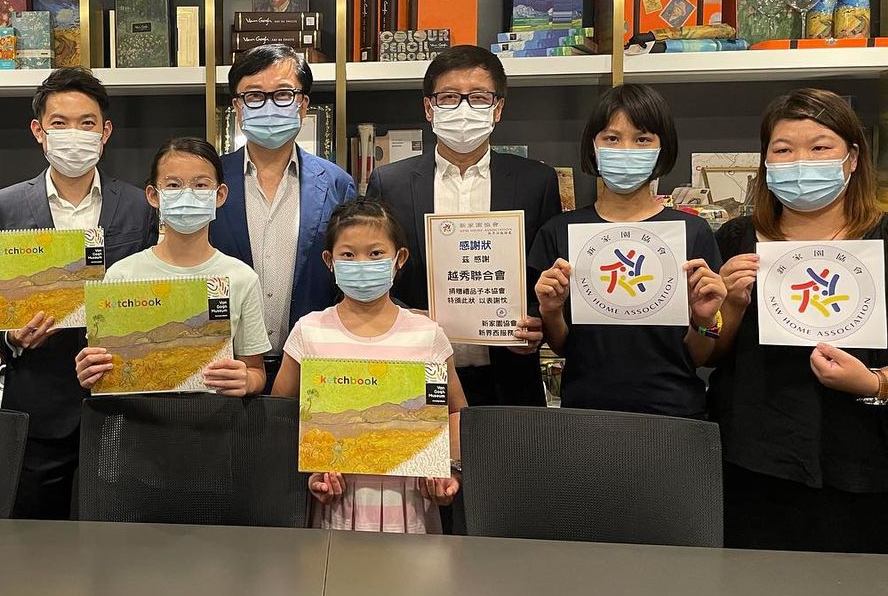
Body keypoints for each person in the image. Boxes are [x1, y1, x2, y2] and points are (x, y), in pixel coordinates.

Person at [709, 88, 888, 553]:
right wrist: (729, 306)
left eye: (820, 147)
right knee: (753, 587)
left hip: (863, 461)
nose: (801, 163)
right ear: (766, 161)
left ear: (852, 158)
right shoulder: (736, 238)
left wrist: (874, 383)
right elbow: (710, 352)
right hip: (753, 461)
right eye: (784, 150)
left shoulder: (882, 240)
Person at [0, 68, 155, 520]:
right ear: (39, 131)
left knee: (118, 531)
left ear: (105, 132)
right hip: (38, 404)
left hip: (120, 403)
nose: (73, 134)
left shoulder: (139, 206)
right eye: (59, 123)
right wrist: (11, 338)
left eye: (86, 122)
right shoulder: (3, 207)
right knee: (36, 537)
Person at [367, 45, 558, 406]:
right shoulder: (390, 183)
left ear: (497, 108)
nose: (464, 109)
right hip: (417, 374)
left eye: (479, 97)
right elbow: (376, 270)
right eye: (450, 97)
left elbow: (546, 274)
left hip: (509, 379)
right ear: (430, 108)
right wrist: (404, 317)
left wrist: (538, 322)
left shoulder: (537, 182)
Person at [530, 83, 726, 417]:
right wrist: (550, 310)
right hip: (586, 410)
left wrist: (704, 320)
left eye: (642, 139)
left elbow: (698, 356)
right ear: (593, 147)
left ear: (662, 148)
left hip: (675, 411)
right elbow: (563, 347)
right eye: (611, 138)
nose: (626, 150)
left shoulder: (692, 232)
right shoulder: (559, 231)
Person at [273, 198, 465, 533]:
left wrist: (449, 471)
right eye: (348, 255)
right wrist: (310, 471)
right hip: (334, 510)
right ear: (330, 261)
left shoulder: (427, 334)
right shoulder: (309, 330)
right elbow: (280, 412)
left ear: (399, 258)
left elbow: (455, 411)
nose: (362, 264)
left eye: (376, 253)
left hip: (410, 509)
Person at [209, 45, 356, 391]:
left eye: (283, 94)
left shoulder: (337, 184)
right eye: (254, 96)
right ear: (238, 107)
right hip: (226, 371)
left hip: (313, 370)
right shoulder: (208, 182)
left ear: (303, 105)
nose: (269, 105)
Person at [76, 138, 270, 395]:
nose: (187, 194)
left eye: (201, 185)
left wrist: (247, 381)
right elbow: (102, 365)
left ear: (220, 195)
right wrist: (91, 370)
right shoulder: (121, 275)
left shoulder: (241, 277)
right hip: (139, 417)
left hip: (213, 416)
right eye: (173, 185)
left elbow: (256, 370)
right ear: (153, 195)